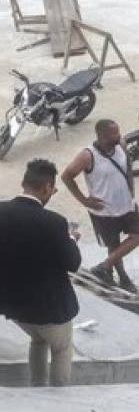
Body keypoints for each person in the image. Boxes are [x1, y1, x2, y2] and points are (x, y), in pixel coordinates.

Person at [0, 159, 80, 386]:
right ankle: (58, 396)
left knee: (37, 340)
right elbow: (73, 263)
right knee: (62, 348)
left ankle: (37, 386)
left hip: (14, 307)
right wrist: (72, 239)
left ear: (24, 182)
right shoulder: (54, 223)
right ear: (47, 187)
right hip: (50, 310)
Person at [62, 119, 139, 290]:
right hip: (104, 211)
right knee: (113, 245)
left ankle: (104, 266)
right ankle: (122, 277)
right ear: (101, 135)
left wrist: (131, 193)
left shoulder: (121, 145)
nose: (119, 135)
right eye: (114, 133)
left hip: (127, 205)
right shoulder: (88, 155)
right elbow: (67, 176)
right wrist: (84, 200)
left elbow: (128, 168)